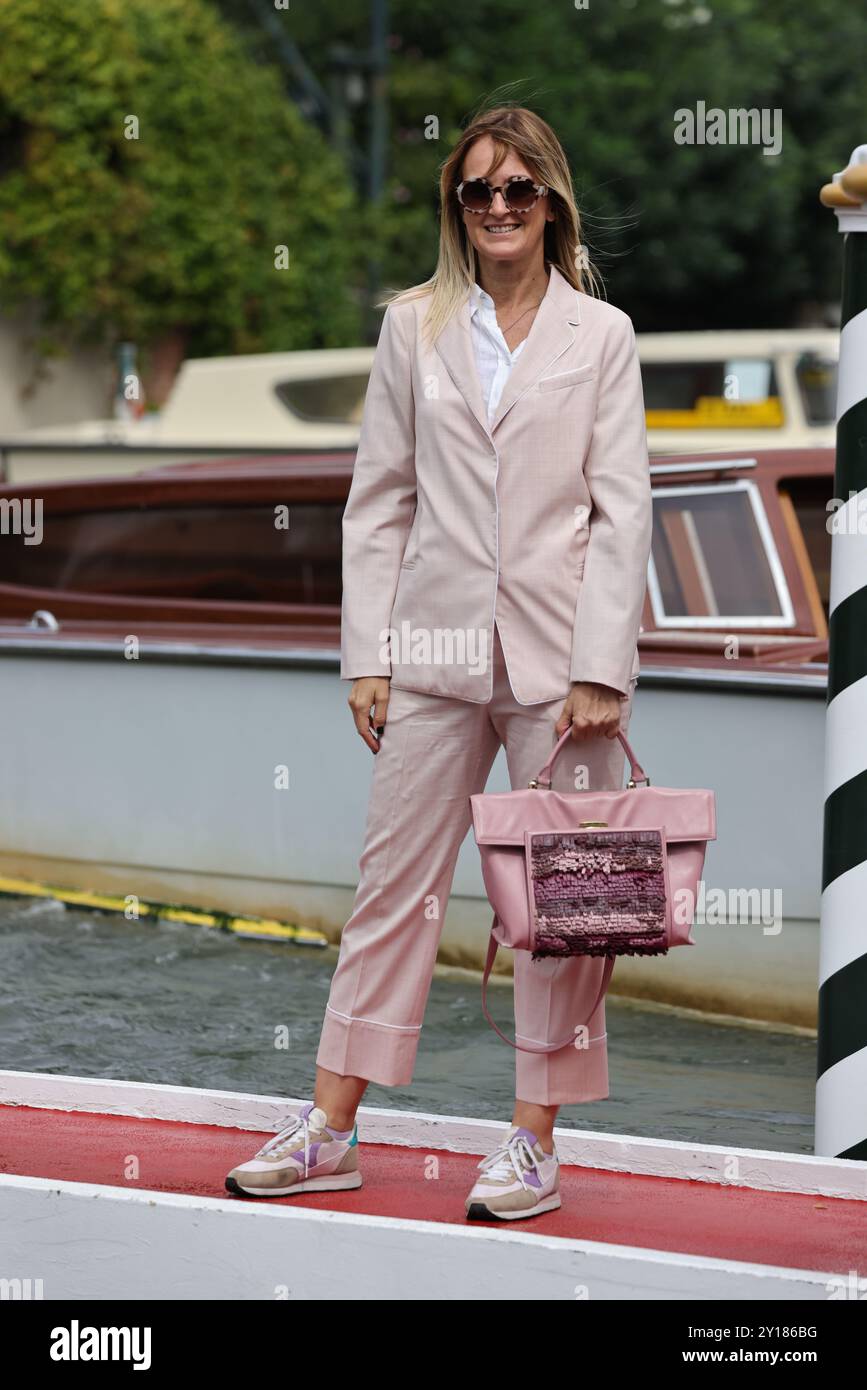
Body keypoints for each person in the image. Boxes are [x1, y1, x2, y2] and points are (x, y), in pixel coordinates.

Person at [226, 104, 652, 1221]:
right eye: (478, 190)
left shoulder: (600, 337)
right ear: (456, 207)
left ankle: (534, 1143)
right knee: (391, 890)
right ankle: (331, 1126)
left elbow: (623, 512)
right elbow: (380, 503)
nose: (499, 207)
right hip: (430, 650)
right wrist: (366, 655)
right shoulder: (412, 326)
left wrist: (605, 662)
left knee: (562, 904)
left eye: (519, 189)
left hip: (563, 667)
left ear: (550, 202)